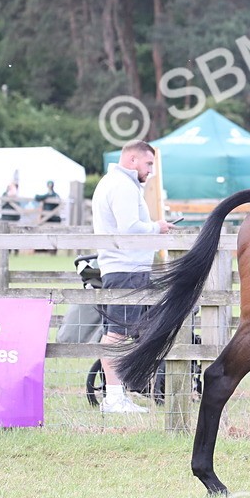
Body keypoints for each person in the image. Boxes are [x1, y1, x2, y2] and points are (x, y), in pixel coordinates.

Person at [92, 140, 176, 413]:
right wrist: (158, 227)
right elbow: (130, 227)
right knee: (116, 334)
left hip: (126, 268)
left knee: (127, 332)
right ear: (131, 160)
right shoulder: (122, 186)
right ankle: (114, 397)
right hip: (125, 269)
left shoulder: (116, 183)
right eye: (148, 163)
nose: (151, 170)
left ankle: (121, 392)